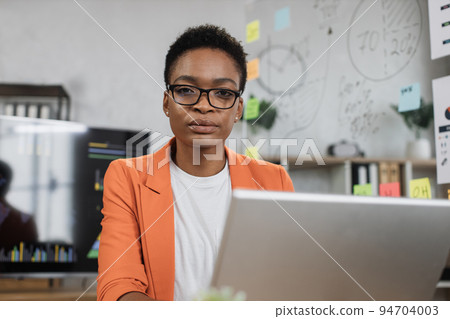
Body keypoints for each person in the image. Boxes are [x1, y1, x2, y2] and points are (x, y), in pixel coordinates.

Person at [97, 24, 294, 301]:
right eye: (187, 90)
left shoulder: (274, 181)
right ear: (167, 102)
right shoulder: (127, 178)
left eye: (223, 93)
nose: (204, 105)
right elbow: (118, 287)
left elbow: (286, 282)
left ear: (238, 109)